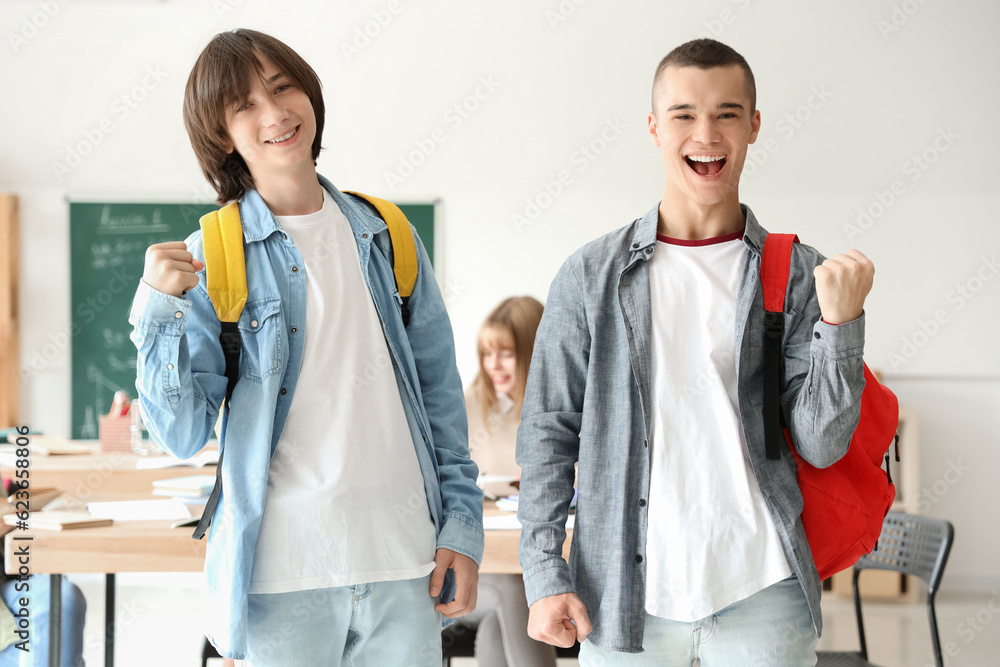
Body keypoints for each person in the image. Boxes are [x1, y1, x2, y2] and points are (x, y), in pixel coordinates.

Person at [128, 29, 482, 665]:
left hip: (405, 566)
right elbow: (180, 434)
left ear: (310, 95)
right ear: (223, 137)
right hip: (280, 580)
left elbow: (441, 401)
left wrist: (462, 528)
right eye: (244, 106)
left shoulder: (389, 236)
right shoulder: (214, 256)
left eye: (283, 87)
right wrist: (158, 312)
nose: (274, 114)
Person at [516, 38, 874, 665]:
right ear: (655, 128)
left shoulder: (797, 275)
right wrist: (546, 572)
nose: (706, 132)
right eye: (683, 114)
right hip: (625, 599)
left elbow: (821, 443)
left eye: (727, 113)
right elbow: (548, 432)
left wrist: (842, 324)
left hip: (764, 593)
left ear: (754, 126)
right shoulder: (591, 275)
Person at [458, 296, 556, 667]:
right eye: (486, 353)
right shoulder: (466, 406)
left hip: (547, 569)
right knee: (511, 588)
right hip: (478, 576)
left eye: (506, 354)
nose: (493, 366)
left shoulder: (562, 412)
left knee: (497, 629)